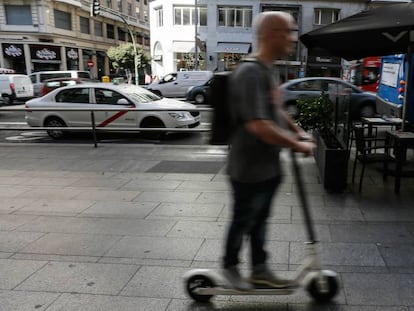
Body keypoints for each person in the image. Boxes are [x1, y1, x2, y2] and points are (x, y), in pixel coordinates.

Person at [223, 11, 315, 290]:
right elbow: (258, 125)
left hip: (266, 166)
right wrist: (296, 143)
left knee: (259, 220)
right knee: (244, 219)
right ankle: (229, 266)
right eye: (288, 32)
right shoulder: (250, 72)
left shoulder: (267, 70)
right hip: (248, 168)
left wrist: (296, 129)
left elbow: (275, 110)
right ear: (270, 34)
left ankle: (259, 268)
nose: (292, 38)